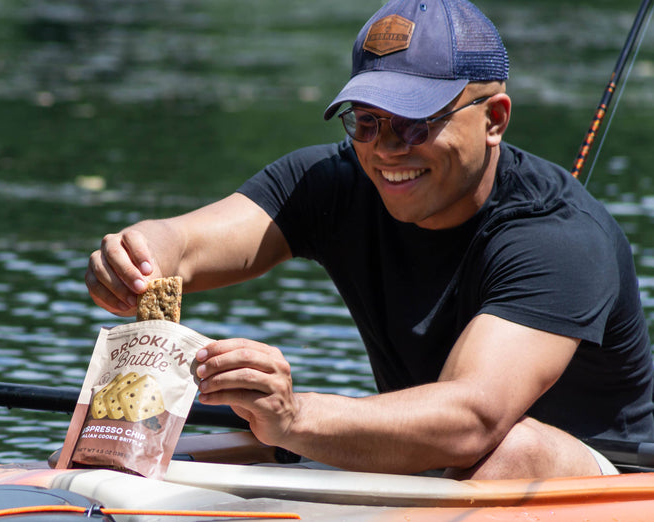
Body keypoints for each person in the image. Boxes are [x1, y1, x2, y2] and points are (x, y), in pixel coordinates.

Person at [85, 0, 654, 479]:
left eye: (414, 123)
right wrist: (137, 254)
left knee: (509, 448)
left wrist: (296, 417)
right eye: (365, 121)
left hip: (604, 481)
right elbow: (183, 246)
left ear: (494, 118)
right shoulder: (333, 182)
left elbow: (472, 418)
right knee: (165, 451)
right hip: (427, 460)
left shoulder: (560, 238)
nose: (385, 149)